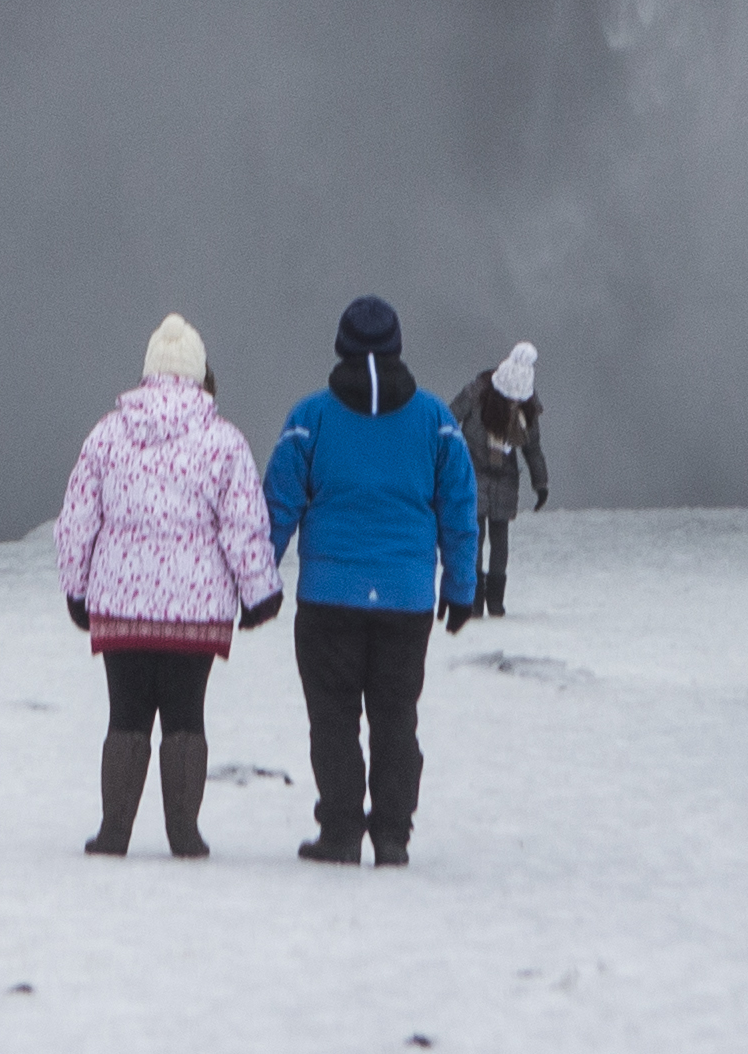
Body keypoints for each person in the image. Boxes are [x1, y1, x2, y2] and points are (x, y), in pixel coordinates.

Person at [261, 294, 481, 866]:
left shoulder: (310, 419)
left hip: (328, 600)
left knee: (332, 719)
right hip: (406, 599)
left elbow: (278, 506)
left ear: (341, 346)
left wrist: (257, 582)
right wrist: (461, 589)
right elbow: (459, 508)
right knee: (395, 719)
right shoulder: (437, 422)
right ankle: (391, 836)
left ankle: (339, 832)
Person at [53, 313, 282, 858]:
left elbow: (78, 519)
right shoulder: (224, 442)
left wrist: (76, 588)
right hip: (196, 609)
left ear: (149, 372)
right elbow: (243, 524)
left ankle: (114, 832)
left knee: (126, 715)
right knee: (186, 716)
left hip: (120, 604)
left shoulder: (106, 434)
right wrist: (258, 593)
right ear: (200, 373)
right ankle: (184, 832)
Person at [447, 341, 551, 619]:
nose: (513, 403)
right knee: (475, 534)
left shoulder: (527, 409)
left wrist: (540, 483)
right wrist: (441, 462)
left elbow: (532, 447)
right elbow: (447, 422)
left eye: (518, 399)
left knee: (500, 535)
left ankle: (495, 600)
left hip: (504, 475)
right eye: (509, 397)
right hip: (472, 472)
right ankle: (474, 599)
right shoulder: (476, 393)